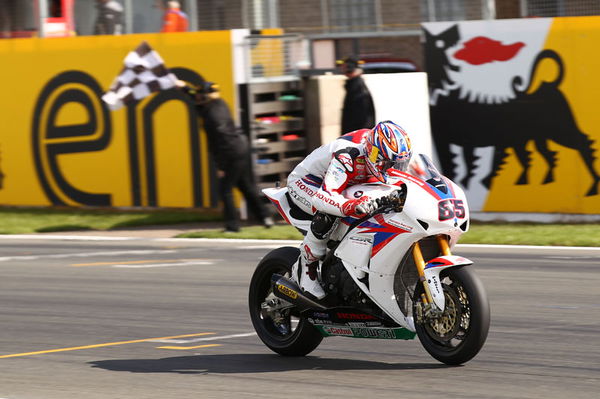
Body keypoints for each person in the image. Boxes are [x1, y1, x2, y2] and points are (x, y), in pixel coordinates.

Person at [286, 120, 412, 299]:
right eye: (389, 163)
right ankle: (306, 266)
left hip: (348, 181)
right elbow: (324, 197)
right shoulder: (348, 156)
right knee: (331, 210)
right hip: (308, 181)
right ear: (374, 154)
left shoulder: (376, 155)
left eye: (399, 164)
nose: (393, 169)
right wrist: (349, 206)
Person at [178, 79, 273, 232]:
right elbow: (195, 97)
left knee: (225, 189)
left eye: (200, 95)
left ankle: (232, 226)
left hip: (231, 152)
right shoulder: (217, 104)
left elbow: (221, 139)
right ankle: (265, 217)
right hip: (241, 148)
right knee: (245, 186)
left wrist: (221, 165)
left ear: (205, 96)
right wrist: (183, 87)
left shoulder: (212, 115)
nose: (197, 97)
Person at [339, 56, 376, 135]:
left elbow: (363, 118)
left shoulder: (357, 87)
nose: (343, 70)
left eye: (345, 67)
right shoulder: (353, 85)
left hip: (357, 136)